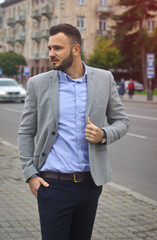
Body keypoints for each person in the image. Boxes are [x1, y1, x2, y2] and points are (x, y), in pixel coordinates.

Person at [18, 23, 129, 240]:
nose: (51, 54)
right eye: (50, 48)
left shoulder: (104, 79)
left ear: (76, 49)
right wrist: (30, 174)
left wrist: (104, 135)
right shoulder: (37, 83)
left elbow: (122, 121)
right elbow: (25, 132)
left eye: (57, 48)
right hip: (53, 185)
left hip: (90, 184)